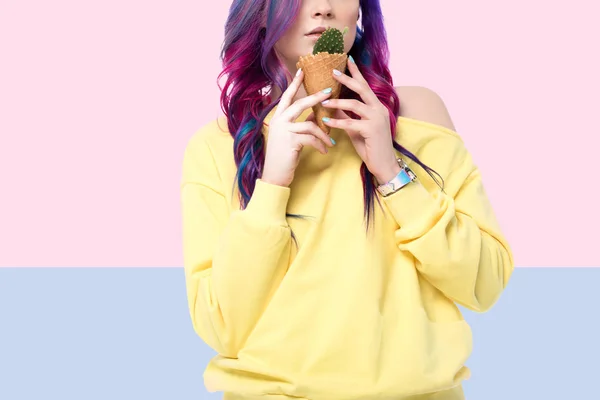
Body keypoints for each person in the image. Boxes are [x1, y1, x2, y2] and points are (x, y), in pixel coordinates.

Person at [180, 0, 514, 399]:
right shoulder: (218, 145)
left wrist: (390, 172)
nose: (322, 8)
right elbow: (221, 327)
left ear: (359, 12)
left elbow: (485, 283)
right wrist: (272, 185)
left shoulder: (417, 115)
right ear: (260, 12)